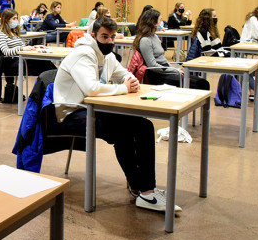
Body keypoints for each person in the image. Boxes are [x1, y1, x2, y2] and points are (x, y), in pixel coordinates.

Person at [52, 16, 180, 213]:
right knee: (139, 127)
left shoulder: (107, 55)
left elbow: (123, 74)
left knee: (136, 126)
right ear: (93, 36)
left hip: (91, 109)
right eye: (104, 37)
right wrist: (124, 88)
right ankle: (146, 192)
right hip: (70, 114)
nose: (109, 41)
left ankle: (140, 188)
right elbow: (91, 89)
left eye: (112, 37)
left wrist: (131, 81)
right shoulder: (83, 54)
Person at [133, 9, 209, 90]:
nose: (162, 21)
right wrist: (174, 70)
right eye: (160, 19)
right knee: (199, 84)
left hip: (165, 70)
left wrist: (174, 69)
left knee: (203, 82)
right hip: (157, 75)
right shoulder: (145, 40)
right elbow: (153, 65)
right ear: (153, 22)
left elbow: (163, 60)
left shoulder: (154, 36)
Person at [0, 9, 56, 88]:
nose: (16, 21)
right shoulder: (1, 35)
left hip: (21, 60)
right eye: (14, 19)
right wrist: (21, 48)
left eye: (16, 18)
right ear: (6, 20)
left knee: (46, 64)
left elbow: (23, 47)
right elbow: (6, 52)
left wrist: (34, 47)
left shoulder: (14, 33)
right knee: (46, 66)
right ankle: (45, 91)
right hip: (11, 64)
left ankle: (46, 90)